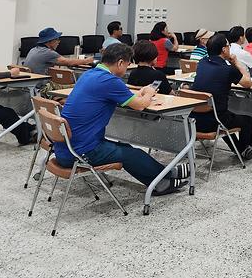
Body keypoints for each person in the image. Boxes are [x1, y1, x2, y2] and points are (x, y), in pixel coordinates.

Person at [53, 43, 189, 195]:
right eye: (127, 64)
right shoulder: (109, 81)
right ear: (120, 63)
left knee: (126, 148)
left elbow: (119, 93)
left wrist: (141, 92)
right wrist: (149, 93)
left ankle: (163, 179)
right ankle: (166, 176)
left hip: (65, 148)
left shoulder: (90, 75)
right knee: (132, 154)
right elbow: (139, 106)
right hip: (81, 152)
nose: (127, 67)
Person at [190, 33, 252, 159]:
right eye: (228, 46)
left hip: (195, 119)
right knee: (247, 120)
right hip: (216, 120)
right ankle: (244, 150)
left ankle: (238, 148)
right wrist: (236, 62)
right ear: (224, 49)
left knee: (228, 117)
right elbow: (248, 83)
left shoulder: (202, 63)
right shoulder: (227, 69)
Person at [25, 27, 95, 75]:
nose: (59, 42)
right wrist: (86, 61)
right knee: (75, 86)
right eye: (57, 39)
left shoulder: (34, 49)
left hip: (33, 84)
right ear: (49, 41)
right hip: (42, 86)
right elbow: (68, 62)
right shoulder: (48, 53)